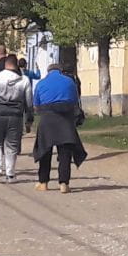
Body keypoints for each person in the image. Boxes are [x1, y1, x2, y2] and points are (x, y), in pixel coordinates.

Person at [32, 64, 88, 194]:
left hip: (47, 120)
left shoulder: (41, 83)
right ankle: (64, 183)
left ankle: (43, 182)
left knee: (45, 151)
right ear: (60, 71)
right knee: (65, 153)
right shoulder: (69, 82)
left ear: (48, 71)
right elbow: (75, 101)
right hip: (65, 120)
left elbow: (36, 105)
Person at [0, 55, 31, 183]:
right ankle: (10, 174)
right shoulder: (24, 80)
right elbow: (29, 102)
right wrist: (29, 119)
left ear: (6, 64)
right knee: (12, 145)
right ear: (16, 65)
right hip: (16, 116)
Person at [17, 58, 40, 133]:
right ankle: (28, 123)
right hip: (28, 93)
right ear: (26, 65)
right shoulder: (29, 73)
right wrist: (38, 69)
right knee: (28, 110)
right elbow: (38, 76)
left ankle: (20, 127)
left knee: (19, 111)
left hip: (19, 94)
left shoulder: (16, 74)